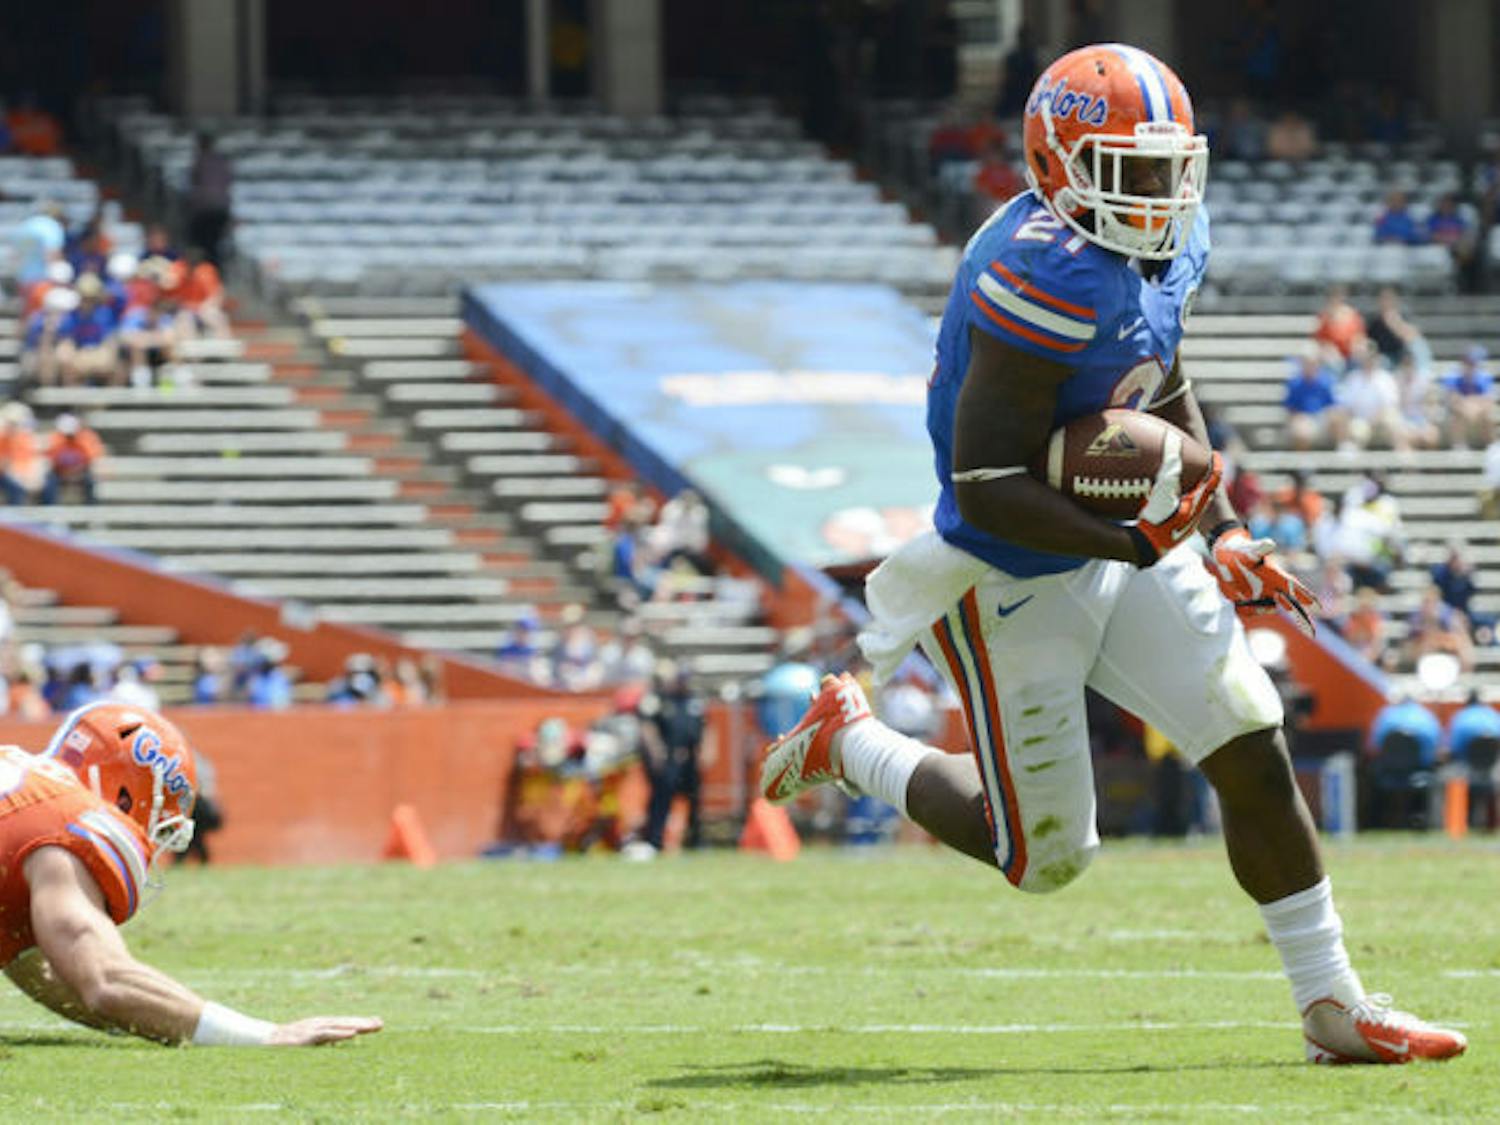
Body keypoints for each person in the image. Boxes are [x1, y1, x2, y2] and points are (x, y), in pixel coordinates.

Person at [759, 43, 1463, 1066]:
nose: (1156, 195)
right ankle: (852, 744)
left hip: (1116, 535)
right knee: (1046, 858)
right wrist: (1139, 536)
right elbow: (987, 482)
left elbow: (1156, 377)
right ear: (1055, 164)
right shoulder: (1029, 269)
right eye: (1126, 172)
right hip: (1007, 561)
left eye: (1167, 169)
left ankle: (1332, 1004)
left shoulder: (1165, 243)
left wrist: (1214, 525)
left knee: (1248, 736)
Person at [0, 702, 380, 1045]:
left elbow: (40, 969)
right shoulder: (66, 823)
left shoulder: (21, 775)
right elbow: (105, 981)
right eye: (157, 824)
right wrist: (267, 1035)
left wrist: (157, 1020)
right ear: (125, 795)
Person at [639, 662, 706, 853]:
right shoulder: (661, 700)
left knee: (694, 800)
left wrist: (705, 750)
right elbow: (648, 726)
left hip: (690, 758)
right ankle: (655, 839)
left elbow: (705, 726)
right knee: (662, 799)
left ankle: (695, 840)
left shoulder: (693, 701)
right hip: (668, 757)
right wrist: (656, 751)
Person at [186, 133, 233, 268]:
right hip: (218, 209)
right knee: (214, 245)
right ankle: (211, 272)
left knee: (205, 244)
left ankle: (207, 272)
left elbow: (193, 180)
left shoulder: (199, 161)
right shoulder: (222, 161)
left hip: (205, 210)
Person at [1282, 346, 1340, 450]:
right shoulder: (1295, 383)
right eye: (1307, 363)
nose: (1310, 366)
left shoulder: (1326, 381)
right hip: (1304, 419)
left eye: (1313, 362)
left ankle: (1339, 457)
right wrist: (1300, 418)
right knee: (1301, 430)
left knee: (1337, 418)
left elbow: (1333, 405)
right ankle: (1303, 463)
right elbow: (1291, 409)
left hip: (1323, 418)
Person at [41, 413, 106, 506]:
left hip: (81, 472)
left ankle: (92, 511)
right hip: (60, 472)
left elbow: (93, 458)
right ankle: (50, 510)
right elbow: (50, 458)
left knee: (90, 482)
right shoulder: (55, 438)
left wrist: (77, 470)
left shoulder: (86, 438)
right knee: (49, 483)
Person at [1440, 345, 1494, 450]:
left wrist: (1470, 405)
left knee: (1488, 417)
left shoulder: (1483, 377)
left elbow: (1488, 402)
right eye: (1468, 363)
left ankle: (1491, 449)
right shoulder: (1453, 376)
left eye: (1473, 364)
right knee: (1457, 416)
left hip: (1477, 413)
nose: (1471, 366)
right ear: (1463, 363)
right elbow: (1453, 402)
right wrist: (1470, 404)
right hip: (1457, 414)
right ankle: (1459, 448)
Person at [1311, 285, 1365, 362]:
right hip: (1331, 355)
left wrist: (1356, 346)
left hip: (1352, 354)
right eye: (1334, 296)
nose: (1337, 299)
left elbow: (1360, 336)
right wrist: (1329, 349)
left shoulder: (1353, 314)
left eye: (1339, 295)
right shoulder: (1324, 316)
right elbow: (1319, 339)